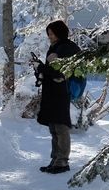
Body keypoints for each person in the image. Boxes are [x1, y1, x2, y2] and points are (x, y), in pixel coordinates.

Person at [34, 19, 80, 174]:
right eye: (48, 34)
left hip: (61, 92)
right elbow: (50, 70)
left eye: (52, 33)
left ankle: (62, 162)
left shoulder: (67, 48)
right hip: (52, 92)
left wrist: (41, 67)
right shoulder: (56, 47)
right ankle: (55, 160)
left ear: (60, 32)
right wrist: (39, 69)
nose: (50, 36)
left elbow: (60, 73)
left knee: (60, 127)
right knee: (54, 127)